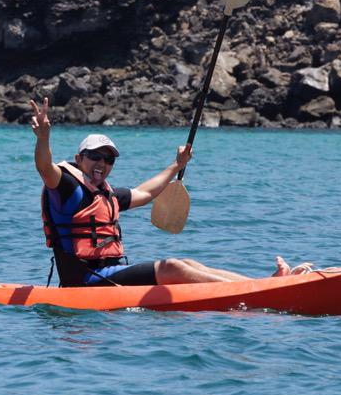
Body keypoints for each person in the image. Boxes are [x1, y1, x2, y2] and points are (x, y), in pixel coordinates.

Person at [30, 98, 312, 287]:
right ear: (80, 159)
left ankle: (261, 285)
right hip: (85, 282)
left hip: (108, 275)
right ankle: (255, 292)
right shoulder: (67, 188)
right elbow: (45, 167)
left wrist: (177, 165)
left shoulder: (108, 194)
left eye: (109, 159)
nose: (102, 164)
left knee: (188, 263)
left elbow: (145, 192)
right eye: (95, 157)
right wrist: (44, 138)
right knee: (172, 267)